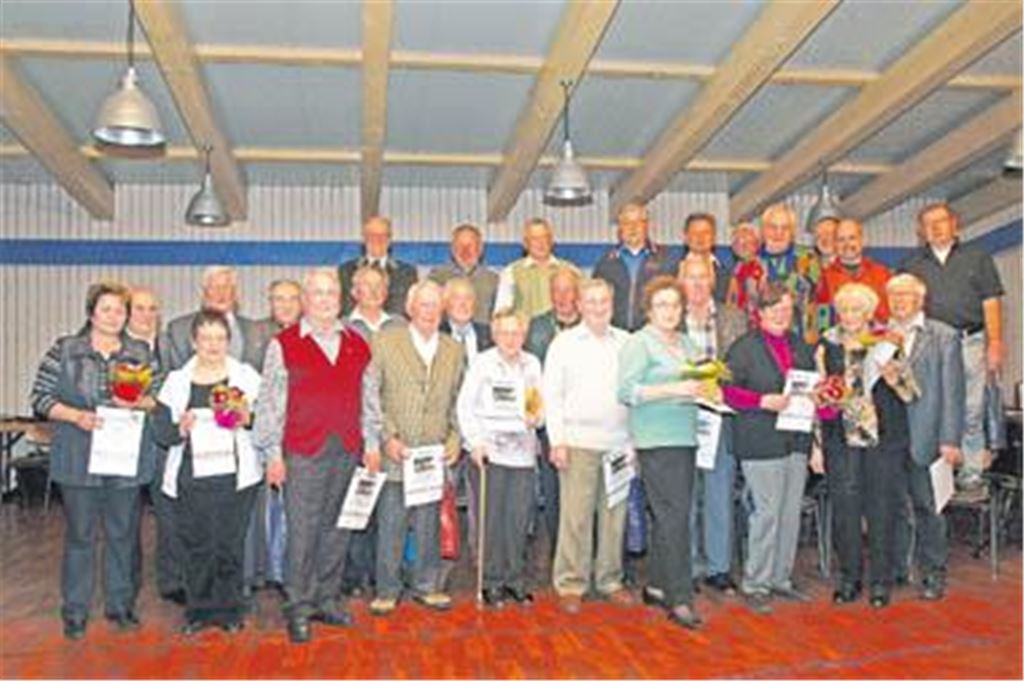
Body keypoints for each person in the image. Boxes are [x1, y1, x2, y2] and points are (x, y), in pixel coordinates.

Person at [30, 282, 157, 640]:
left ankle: (120, 606)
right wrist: (75, 416)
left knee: (122, 534)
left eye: (120, 310)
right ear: (91, 313)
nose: (114, 316)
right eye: (107, 309)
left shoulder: (141, 352)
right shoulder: (65, 349)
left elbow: (161, 395)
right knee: (80, 536)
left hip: (125, 455)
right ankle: (75, 610)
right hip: (78, 454)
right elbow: (39, 398)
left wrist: (140, 403)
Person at [255, 268, 372, 643]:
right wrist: (272, 453)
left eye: (331, 293)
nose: (324, 300)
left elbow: (370, 401)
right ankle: (298, 605)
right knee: (302, 532)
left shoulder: (358, 343)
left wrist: (371, 444)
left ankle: (327, 597)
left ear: (341, 299)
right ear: (305, 300)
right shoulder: (283, 344)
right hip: (302, 451)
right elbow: (270, 404)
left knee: (339, 528)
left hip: (347, 449)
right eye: (317, 293)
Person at [152, 310, 263, 635]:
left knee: (229, 543)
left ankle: (229, 610)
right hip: (191, 477)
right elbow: (160, 432)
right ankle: (198, 611)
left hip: (235, 477)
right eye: (206, 338)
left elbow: (268, 421)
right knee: (197, 544)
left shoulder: (246, 377)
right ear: (194, 341)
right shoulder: (175, 382)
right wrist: (180, 428)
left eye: (220, 338)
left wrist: (248, 418)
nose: (213, 345)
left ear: (229, 341)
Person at [362, 280, 465, 616]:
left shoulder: (453, 349)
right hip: (396, 451)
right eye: (423, 305)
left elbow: (458, 402)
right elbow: (372, 396)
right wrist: (386, 437)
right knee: (391, 523)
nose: (430, 312)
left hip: (432, 456)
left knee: (428, 524)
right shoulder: (384, 341)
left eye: (436, 306)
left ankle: (427, 585)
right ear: (409, 308)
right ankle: (387, 589)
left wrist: (454, 440)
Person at [815, 283, 915, 609]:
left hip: (881, 441)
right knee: (845, 511)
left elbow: (911, 393)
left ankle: (881, 582)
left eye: (857, 309)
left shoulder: (887, 342)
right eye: (844, 309)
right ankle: (849, 579)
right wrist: (817, 440)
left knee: (881, 510)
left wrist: (893, 377)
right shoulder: (826, 344)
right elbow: (816, 399)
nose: (850, 316)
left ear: (869, 312)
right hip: (840, 440)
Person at [617, 275, 706, 629]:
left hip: (685, 436)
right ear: (649, 310)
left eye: (675, 305)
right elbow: (626, 391)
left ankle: (656, 585)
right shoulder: (639, 343)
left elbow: (700, 382)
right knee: (675, 518)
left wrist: (708, 389)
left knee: (666, 516)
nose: (670, 311)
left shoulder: (687, 342)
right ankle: (680, 597)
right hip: (656, 439)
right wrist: (674, 389)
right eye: (662, 305)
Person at [723, 282, 817, 614]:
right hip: (760, 441)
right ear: (759, 312)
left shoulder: (801, 345)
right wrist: (764, 400)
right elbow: (727, 392)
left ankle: (781, 578)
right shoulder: (743, 348)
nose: (780, 315)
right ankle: (756, 582)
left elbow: (813, 390)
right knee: (767, 512)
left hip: (797, 439)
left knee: (790, 512)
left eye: (786, 310)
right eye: (773, 309)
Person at [543, 279, 634, 614]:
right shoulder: (563, 344)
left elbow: (634, 394)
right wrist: (558, 441)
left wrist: (633, 443)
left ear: (612, 304)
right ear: (579, 305)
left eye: (604, 301)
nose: (598, 307)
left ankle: (610, 580)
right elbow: (552, 396)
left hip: (618, 445)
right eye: (591, 301)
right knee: (575, 518)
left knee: (615, 518)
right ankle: (570, 583)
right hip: (577, 443)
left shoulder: (627, 343)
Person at [899, 203, 1004, 492]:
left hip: (970, 342)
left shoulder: (978, 257)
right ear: (920, 231)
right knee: (930, 408)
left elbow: (991, 301)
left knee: (971, 408)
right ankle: (932, 479)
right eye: (928, 224)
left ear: (954, 224)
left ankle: (971, 472)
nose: (935, 228)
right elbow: (903, 306)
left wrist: (995, 343)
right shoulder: (911, 264)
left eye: (940, 221)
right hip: (929, 347)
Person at [456, 310, 543, 607]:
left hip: (522, 454)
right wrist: (475, 443)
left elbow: (537, 403)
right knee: (490, 521)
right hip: (490, 453)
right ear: (494, 335)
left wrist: (536, 416)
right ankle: (492, 581)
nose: (511, 339)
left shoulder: (532, 363)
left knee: (518, 521)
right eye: (504, 333)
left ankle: (514, 579)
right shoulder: (482, 363)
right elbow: (465, 407)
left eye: (516, 333)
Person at [886, 274, 965, 601]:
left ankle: (933, 572)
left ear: (921, 299)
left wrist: (949, 439)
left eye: (906, 295)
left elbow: (953, 391)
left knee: (929, 508)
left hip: (928, 437)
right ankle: (898, 568)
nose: (899, 301)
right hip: (889, 437)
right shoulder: (879, 336)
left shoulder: (943, 336)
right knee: (893, 507)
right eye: (893, 296)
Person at [678, 256, 748, 595]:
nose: (697, 284)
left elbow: (745, 366)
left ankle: (719, 568)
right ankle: (688, 565)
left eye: (703, 277)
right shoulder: (668, 319)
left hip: (720, 417)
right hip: (679, 416)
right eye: (690, 278)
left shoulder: (735, 318)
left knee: (720, 492)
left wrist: (723, 384)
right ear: (680, 281)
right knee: (686, 494)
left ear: (712, 280)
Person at [125, 287, 181, 605]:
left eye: (152, 309)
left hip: (162, 442)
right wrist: (151, 401)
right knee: (126, 519)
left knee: (169, 513)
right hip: (127, 443)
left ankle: (171, 580)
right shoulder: (118, 350)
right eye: (140, 309)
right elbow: (124, 397)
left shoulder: (168, 347)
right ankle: (127, 584)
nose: (147, 315)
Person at [250, 278, 303, 597]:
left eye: (292, 299)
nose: (285, 305)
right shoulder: (256, 336)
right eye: (278, 299)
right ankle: (268, 570)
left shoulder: (311, 336)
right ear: (270, 302)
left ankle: (287, 572)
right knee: (267, 508)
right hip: (265, 433)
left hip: (301, 437)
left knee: (294, 510)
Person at [524, 266, 582, 556]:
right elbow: (529, 380)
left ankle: (583, 551)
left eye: (568, 290)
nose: (561, 296)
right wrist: (532, 423)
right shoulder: (535, 328)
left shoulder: (591, 325)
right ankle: (559, 550)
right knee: (553, 490)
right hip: (549, 425)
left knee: (583, 494)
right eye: (556, 290)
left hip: (585, 425)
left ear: (578, 293)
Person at [592, 201, 678, 331]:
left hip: (654, 334)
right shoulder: (606, 263)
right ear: (620, 228)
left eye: (638, 222)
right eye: (627, 223)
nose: (633, 227)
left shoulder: (666, 260)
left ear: (647, 225)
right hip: (615, 335)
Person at [165, 265, 263, 371]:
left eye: (226, 287)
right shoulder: (179, 329)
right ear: (204, 293)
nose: (221, 293)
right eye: (214, 287)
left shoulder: (256, 331)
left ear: (235, 292)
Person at [754, 204, 822, 344]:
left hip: (801, 336)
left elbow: (813, 297)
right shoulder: (752, 261)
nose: (779, 233)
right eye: (773, 227)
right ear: (763, 230)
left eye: (785, 228)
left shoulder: (807, 258)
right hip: (760, 338)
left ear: (792, 232)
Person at [495, 217, 577, 320]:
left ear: (552, 241)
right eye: (535, 239)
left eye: (545, 237)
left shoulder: (572, 271)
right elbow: (502, 312)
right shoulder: (510, 272)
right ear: (525, 244)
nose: (541, 243)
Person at [816, 219, 891, 326]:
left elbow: (889, 315)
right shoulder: (825, 278)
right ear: (835, 244)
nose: (847, 244)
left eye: (852, 238)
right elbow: (822, 319)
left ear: (862, 240)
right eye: (841, 239)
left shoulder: (882, 274)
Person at [339, 216, 419, 317]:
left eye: (383, 235)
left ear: (390, 240)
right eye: (372, 235)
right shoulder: (346, 271)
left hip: (395, 330)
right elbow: (345, 308)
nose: (377, 239)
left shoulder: (407, 273)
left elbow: (411, 310)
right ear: (364, 239)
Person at [428, 223, 499, 324]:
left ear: (480, 249)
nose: (465, 250)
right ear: (452, 249)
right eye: (460, 245)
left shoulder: (494, 281)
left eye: (470, 245)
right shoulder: (436, 278)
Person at [440, 277, 494, 363]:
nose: (463, 304)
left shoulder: (490, 334)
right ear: (445, 303)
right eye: (456, 298)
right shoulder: (437, 334)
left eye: (468, 298)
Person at [680, 212, 729, 304]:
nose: (700, 237)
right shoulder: (670, 270)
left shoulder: (727, 273)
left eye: (706, 233)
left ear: (714, 237)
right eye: (695, 233)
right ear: (685, 238)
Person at [347, 264, 406, 339]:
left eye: (379, 285)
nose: (373, 290)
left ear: (386, 292)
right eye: (367, 284)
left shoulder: (400, 325)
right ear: (354, 292)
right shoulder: (343, 327)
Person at [727, 222, 764, 322]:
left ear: (757, 244)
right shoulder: (737, 268)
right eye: (738, 243)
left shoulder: (762, 267)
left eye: (747, 242)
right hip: (738, 318)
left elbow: (761, 296)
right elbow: (730, 297)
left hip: (757, 318)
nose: (742, 246)